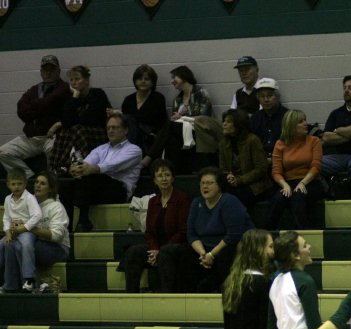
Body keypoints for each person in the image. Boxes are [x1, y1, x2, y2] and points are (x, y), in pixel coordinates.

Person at [63, 113, 142, 232]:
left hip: (118, 190)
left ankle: (83, 221)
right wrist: (77, 168)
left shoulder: (134, 150)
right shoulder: (101, 149)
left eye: (114, 127)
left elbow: (114, 165)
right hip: (95, 188)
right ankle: (67, 230)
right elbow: (86, 163)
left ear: (125, 130)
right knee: (66, 188)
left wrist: (91, 169)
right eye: (108, 128)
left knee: (90, 178)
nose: (110, 131)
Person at [122, 158, 191, 293]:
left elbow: (183, 231)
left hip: (177, 245)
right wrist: (154, 249)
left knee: (165, 254)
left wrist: (161, 250)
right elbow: (149, 233)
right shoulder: (153, 201)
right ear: (154, 180)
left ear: (173, 178)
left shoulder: (182, 198)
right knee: (133, 252)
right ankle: (131, 296)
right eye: (160, 175)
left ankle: (166, 297)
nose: (164, 179)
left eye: (167, 175)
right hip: (157, 246)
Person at [0, 55, 69, 180]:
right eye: (45, 70)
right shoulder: (34, 89)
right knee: (3, 152)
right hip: (31, 137)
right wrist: (43, 107)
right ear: (41, 72)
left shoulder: (63, 88)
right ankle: (28, 178)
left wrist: (34, 107)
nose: (48, 73)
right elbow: (21, 110)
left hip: (51, 136)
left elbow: (50, 102)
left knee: (53, 150)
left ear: (58, 71)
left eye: (51, 70)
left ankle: (51, 184)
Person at [186, 167, 254, 292]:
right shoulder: (196, 203)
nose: (205, 186)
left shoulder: (229, 201)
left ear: (219, 185)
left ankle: (227, 293)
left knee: (226, 255)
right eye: (202, 183)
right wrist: (203, 254)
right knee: (184, 254)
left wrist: (211, 254)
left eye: (210, 183)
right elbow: (191, 234)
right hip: (206, 249)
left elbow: (233, 235)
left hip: (230, 246)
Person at [46, 65, 111, 175]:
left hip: (98, 132)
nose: (74, 83)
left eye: (77, 79)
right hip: (79, 132)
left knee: (77, 129)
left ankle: (67, 165)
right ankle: (55, 168)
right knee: (64, 131)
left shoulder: (97, 94)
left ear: (86, 80)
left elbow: (89, 119)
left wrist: (61, 123)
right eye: (71, 80)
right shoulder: (72, 98)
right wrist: (75, 96)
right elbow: (67, 121)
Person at [266, 110, 324, 230]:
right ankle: (267, 233)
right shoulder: (280, 144)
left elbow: (316, 166)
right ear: (291, 125)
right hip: (288, 182)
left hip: (310, 181)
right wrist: (284, 185)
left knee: (298, 196)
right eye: (301, 121)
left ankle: (305, 233)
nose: (305, 123)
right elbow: (276, 171)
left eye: (305, 120)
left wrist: (303, 183)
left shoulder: (314, 141)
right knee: (278, 199)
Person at [218, 108, 270, 209]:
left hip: (255, 185)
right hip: (233, 182)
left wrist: (240, 180)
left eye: (229, 122)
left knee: (237, 197)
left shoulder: (252, 140)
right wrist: (228, 176)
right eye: (224, 121)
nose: (224, 124)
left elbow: (261, 169)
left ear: (238, 124)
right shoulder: (223, 143)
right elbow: (223, 168)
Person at [0, 168, 42, 292]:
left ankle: (29, 278)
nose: (16, 187)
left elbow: (37, 215)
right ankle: (7, 282)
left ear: (25, 184)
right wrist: (7, 233)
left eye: (19, 184)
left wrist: (24, 227)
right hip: (13, 232)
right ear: (8, 185)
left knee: (26, 244)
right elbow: (6, 218)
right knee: (2, 245)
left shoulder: (29, 198)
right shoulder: (8, 199)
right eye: (13, 184)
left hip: (27, 231)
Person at [167, 65, 215, 172]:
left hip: (199, 130)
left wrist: (182, 117)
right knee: (171, 140)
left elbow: (204, 117)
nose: (172, 81)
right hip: (182, 132)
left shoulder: (201, 93)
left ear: (183, 77)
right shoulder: (177, 99)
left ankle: (151, 156)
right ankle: (175, 173)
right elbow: (175, 119)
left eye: (174, 77)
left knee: (168, 127)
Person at [119, 64, 168, 169]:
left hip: (150, 136)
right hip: (132, 135)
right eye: (140, 78)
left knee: (130, 119)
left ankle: (129, 157)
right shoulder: (128, 100)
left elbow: (160, 122)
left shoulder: (158, 98)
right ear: (135, 81)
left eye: (147, 79)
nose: (143, 81)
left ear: (152, 82)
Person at [30, 172, 71, 285]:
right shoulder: (29, 203)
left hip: (59, 248)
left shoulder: (57, 207)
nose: (38, 185)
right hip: (38, 243)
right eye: (37, 182)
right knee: (8, 245)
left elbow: (56, 236)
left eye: (43, 183)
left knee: (27, 247)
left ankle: (29, 283)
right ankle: (10, 284)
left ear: (50, 189)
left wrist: (33, 230)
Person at [250, 78, 289, 161]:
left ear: (277, 96)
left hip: (285, 160)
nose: (266, 100)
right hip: (261, 162)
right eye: (262, 96)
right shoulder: (255, 118)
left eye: (270, 95)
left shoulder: (288, 116)